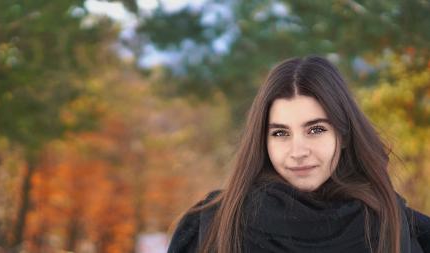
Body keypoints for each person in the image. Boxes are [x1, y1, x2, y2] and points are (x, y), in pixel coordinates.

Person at [167, 56, 430, 253]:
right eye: (280, 133)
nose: (298, 152)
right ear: (262, 141)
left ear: (344, 135)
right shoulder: (212, 224)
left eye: (315, 129)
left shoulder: (394, 224)